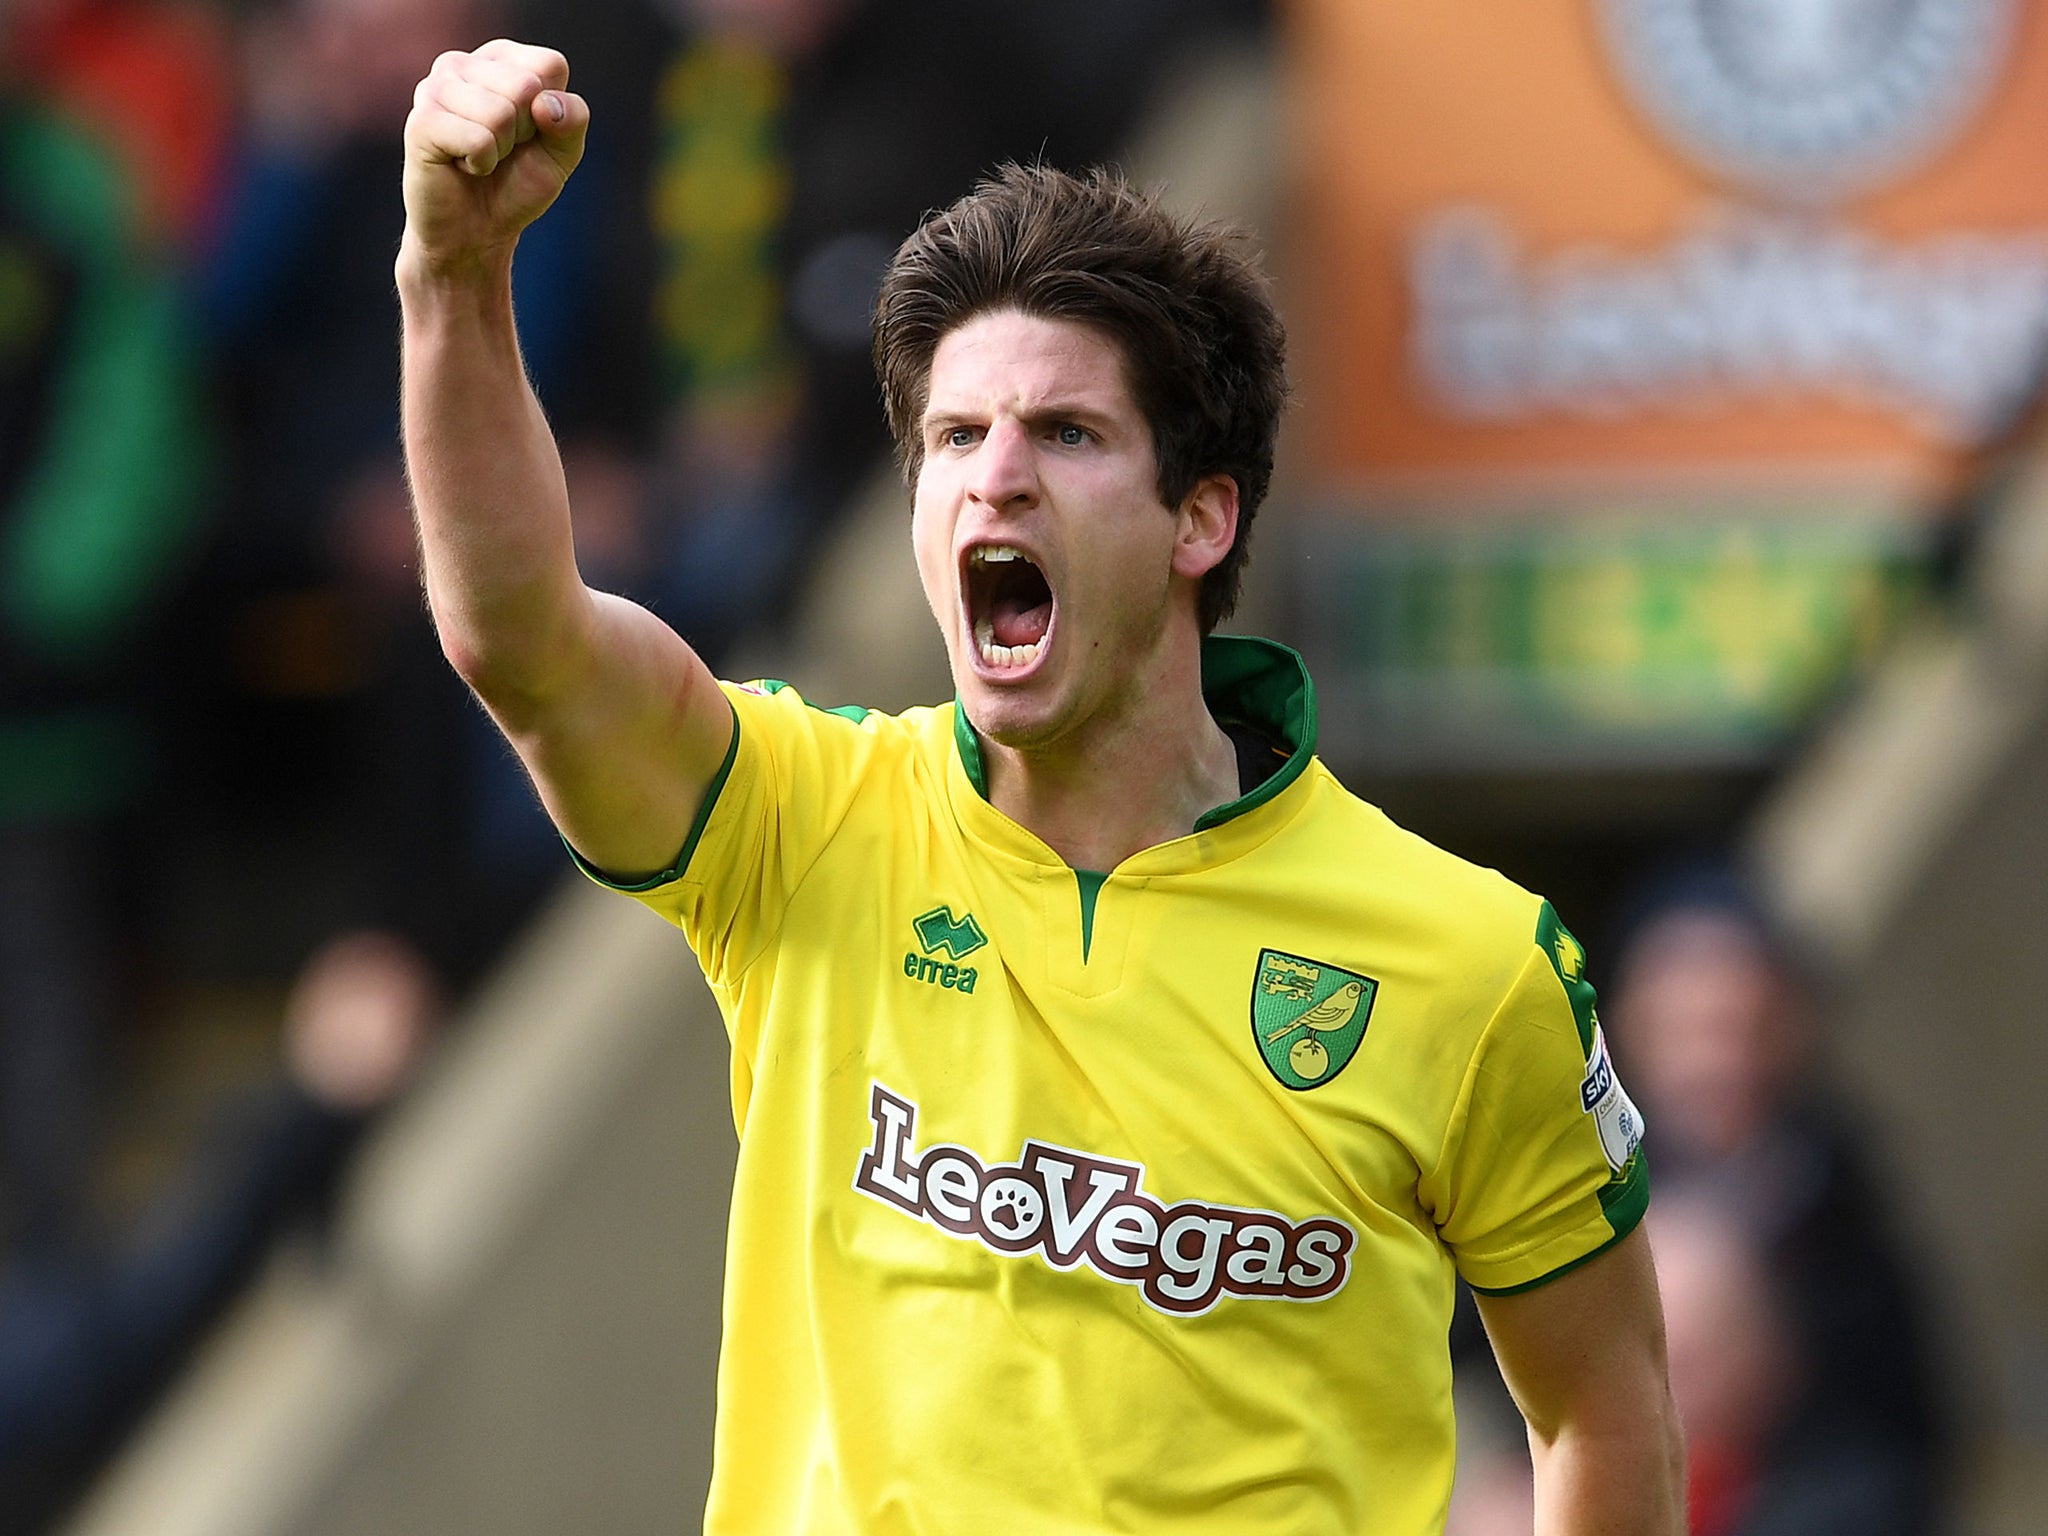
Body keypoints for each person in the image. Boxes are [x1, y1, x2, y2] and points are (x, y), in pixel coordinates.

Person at [398, 41, 1684, 1533]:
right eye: (956, 437)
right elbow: (524, 644)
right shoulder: (806, 825)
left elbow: (1604, 1410)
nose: (994, 478)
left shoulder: (1469, 966)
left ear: (1200, 518)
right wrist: (452, 271)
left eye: (1065, 434)